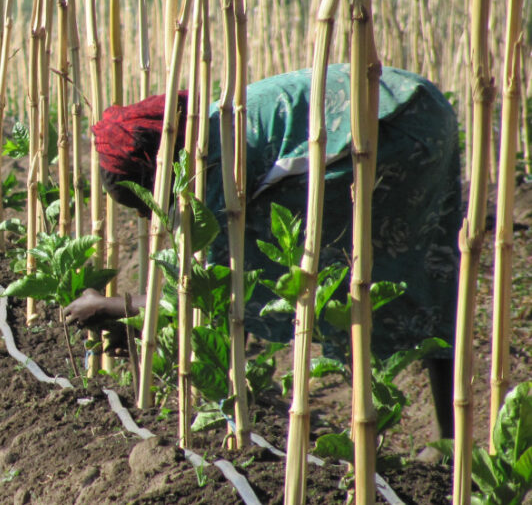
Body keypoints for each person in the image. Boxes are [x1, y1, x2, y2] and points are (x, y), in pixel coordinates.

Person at [63, 65, 461, 444]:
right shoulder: (206, 130)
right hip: (413, 103)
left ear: (158, 170)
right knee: (429, 264)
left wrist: (115, 305)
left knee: (324, 271)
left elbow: (209, 289)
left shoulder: (212, 170)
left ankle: (372, 435)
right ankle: (446, 436)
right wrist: (138, 320)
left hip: (390, 132)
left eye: (142, 201)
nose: (143, 214)